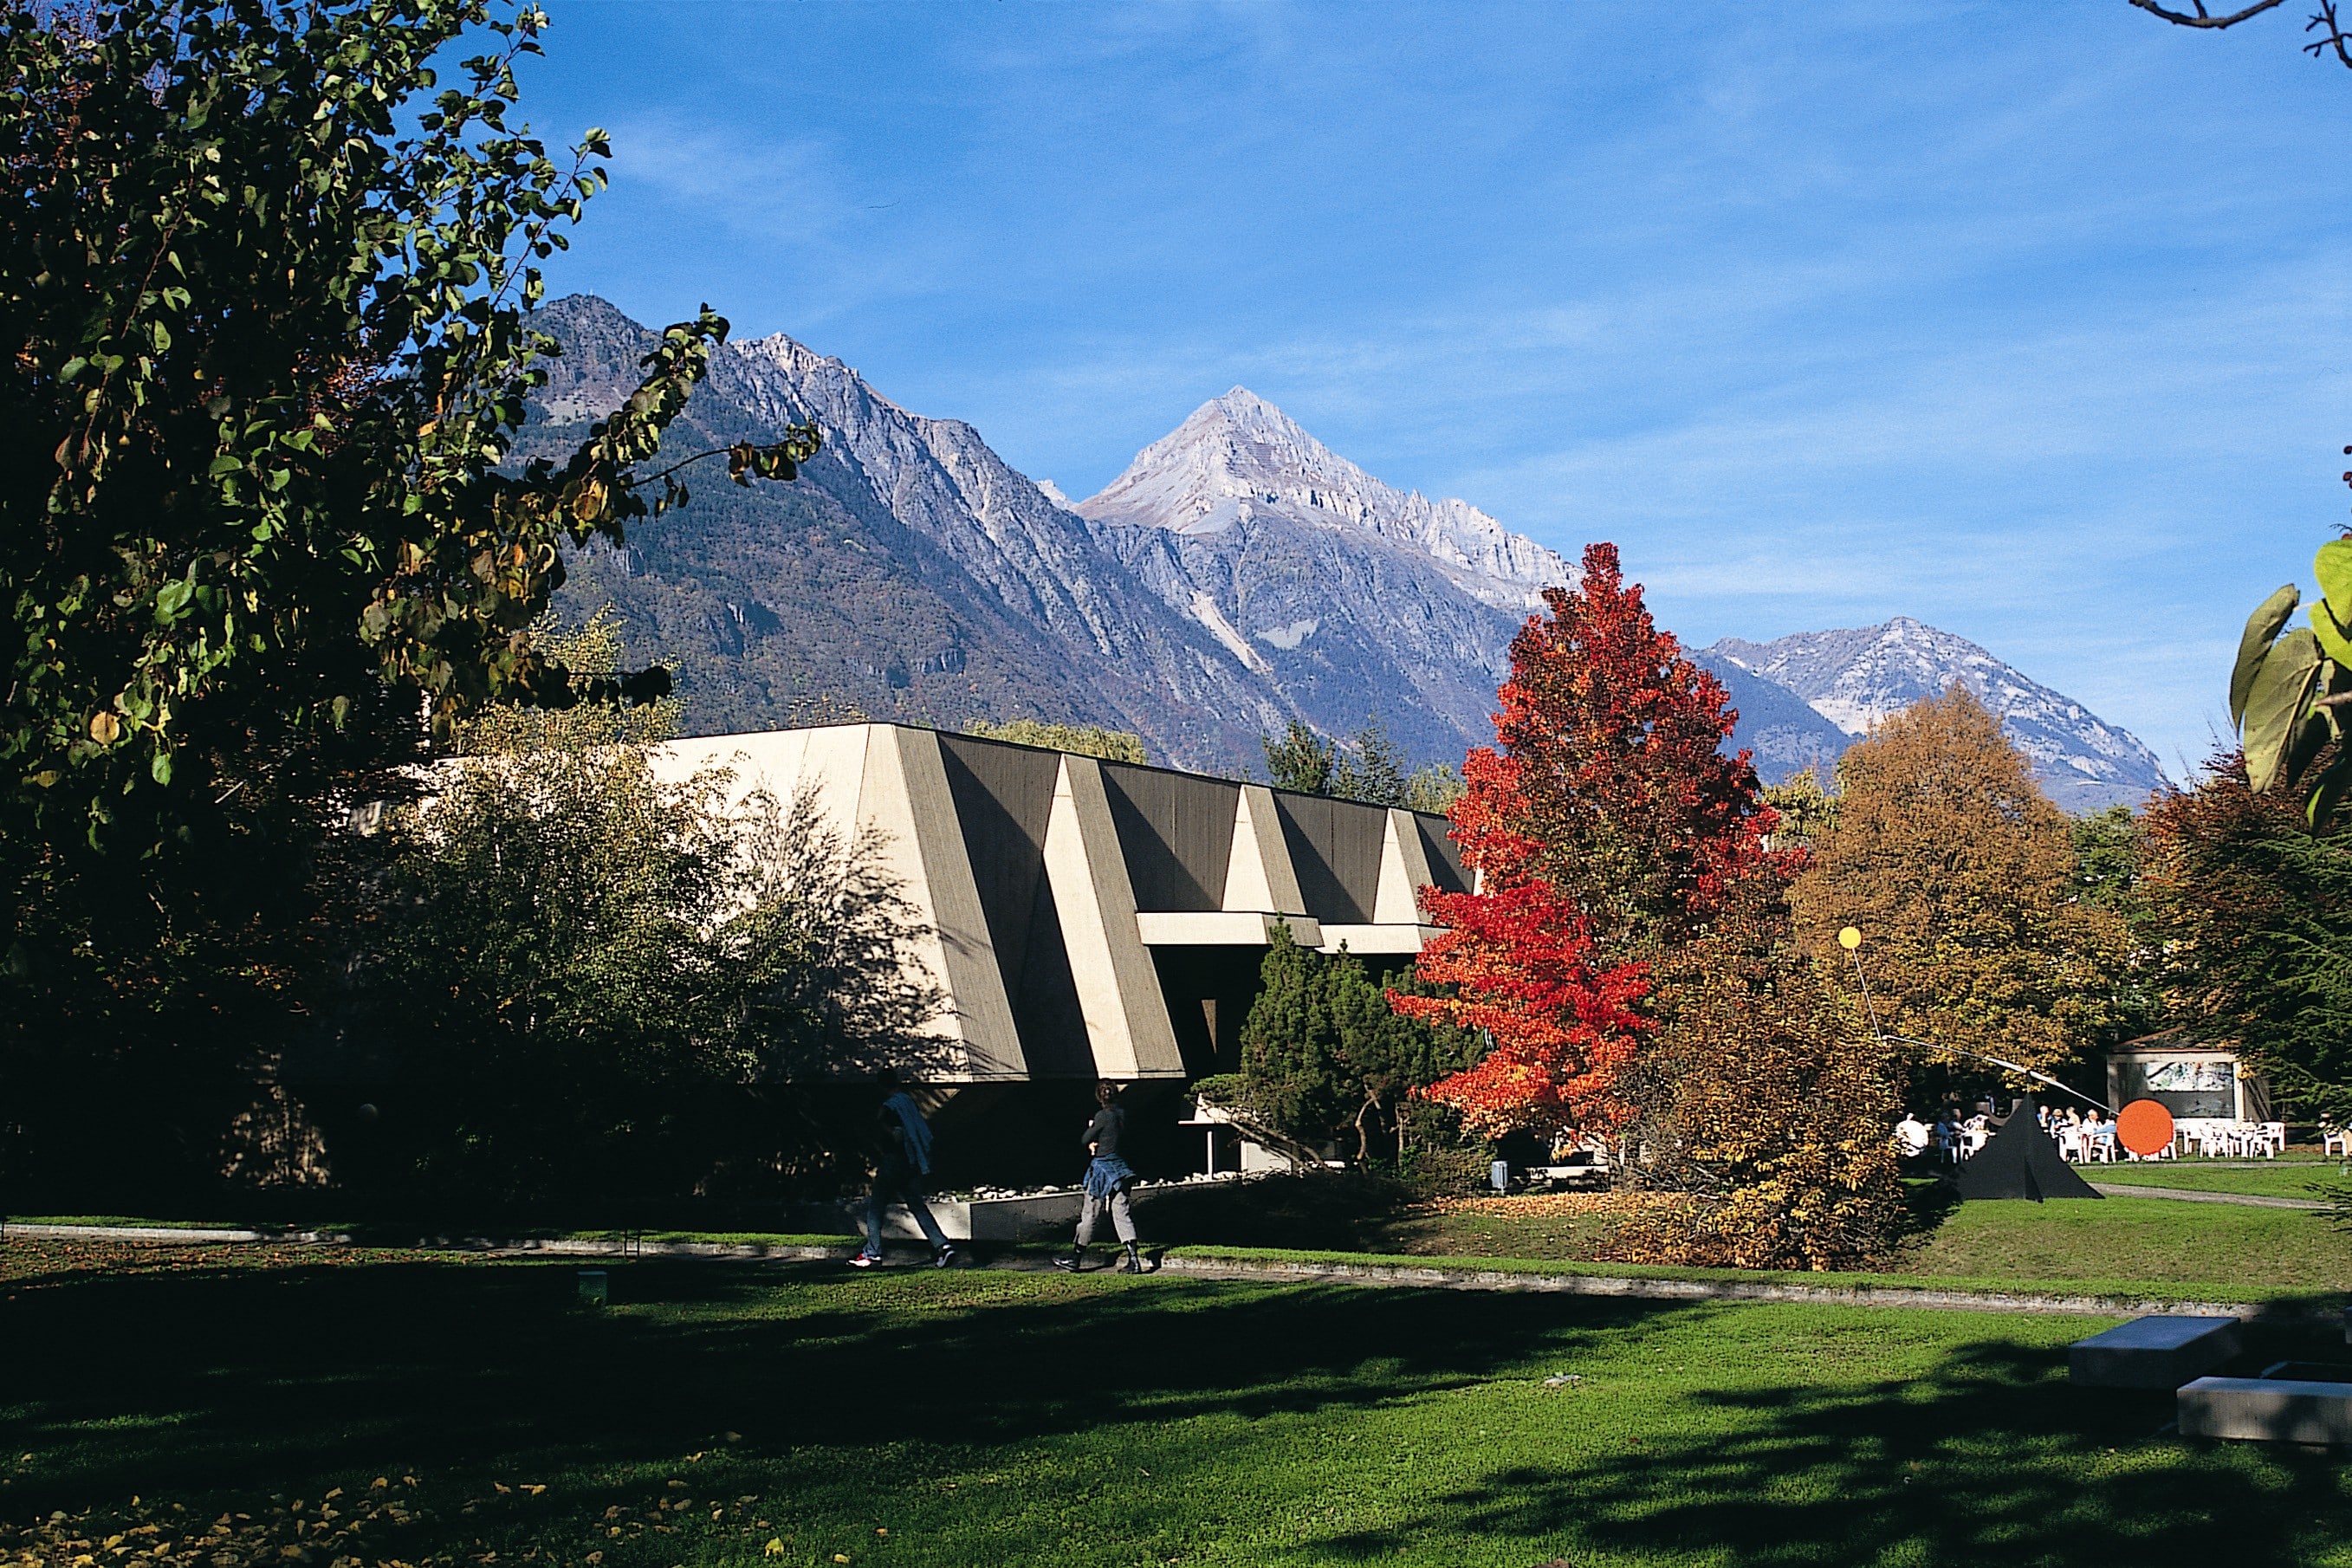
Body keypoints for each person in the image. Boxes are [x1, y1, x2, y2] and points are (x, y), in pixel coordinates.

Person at [852, 1068, 956, 1270]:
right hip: (912, 1162)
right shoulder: (908, 1103)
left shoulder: (888, 1109)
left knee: (876, 1207)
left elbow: (895, 1135)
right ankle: (942, 1245)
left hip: (893, 1161)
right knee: (917, 1205)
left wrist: (884, 1126)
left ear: (881, 1086)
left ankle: (873, 1252)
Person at [1054, 1080, 1154, 1275]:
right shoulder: (1122, 1115)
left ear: (1099, 1097)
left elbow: (1085, 1138)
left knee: (1090, 1214)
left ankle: (1076, 1257)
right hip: (1122, 1169)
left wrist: (1092, 1133)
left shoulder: (1102, 1116)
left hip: (1102, 1169)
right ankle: (1134, 1260)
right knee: (1122, 1213)